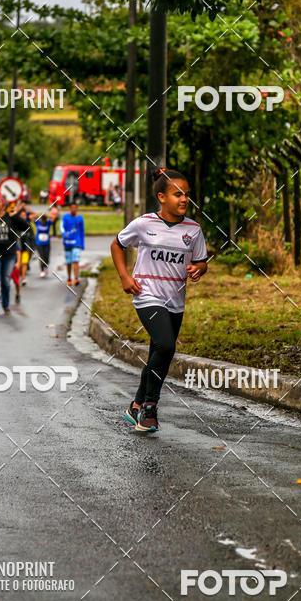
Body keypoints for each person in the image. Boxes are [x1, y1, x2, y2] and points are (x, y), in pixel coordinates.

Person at [110, 168, 208, 433]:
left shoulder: (194, 230)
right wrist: (124, 277)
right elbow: (117, 244)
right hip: (147, 296)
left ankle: (136, 403)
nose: (184, 199)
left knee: (159, 353)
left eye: (187, 195)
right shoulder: (143, 224)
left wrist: (198, 268)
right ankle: (149, 409)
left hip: (175, 300)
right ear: (162, 197)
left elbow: (201, 260)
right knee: (165, 345)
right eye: (178, 194)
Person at [60, 202, 85, 287]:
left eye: (75, 208)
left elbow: (82, 231)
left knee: (75, 260)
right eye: (72, 208)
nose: (74, 209)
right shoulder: (65, 217)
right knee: (68, 262)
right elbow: (61, 227)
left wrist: (82, 243)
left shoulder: (80, 218)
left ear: (77, 208)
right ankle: (69, 278)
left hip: (76, 243)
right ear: (70, 208)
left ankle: (76, 278)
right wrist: (64, 234)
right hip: (67, 243)